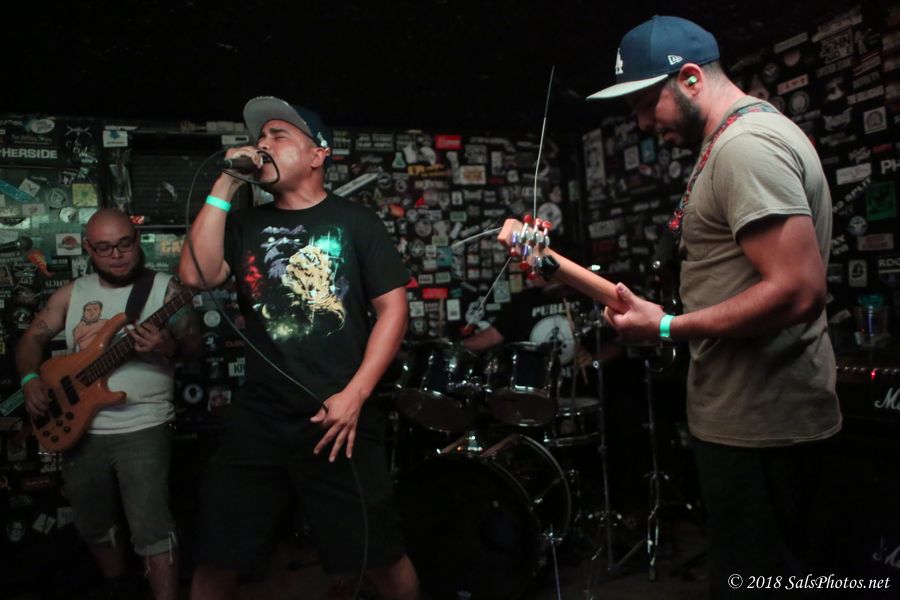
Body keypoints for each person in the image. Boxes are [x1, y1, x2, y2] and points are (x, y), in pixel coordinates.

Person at [581, 15, 840, 598]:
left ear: (691, 78)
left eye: (645, 103)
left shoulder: (745, 147)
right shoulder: (735, 141)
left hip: (762, 427)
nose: (641, 123)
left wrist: (667, 326)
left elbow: (799, 289)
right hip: (750, 420)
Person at [178, 96, 419, 600]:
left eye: (279, 135)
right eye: (260, 137)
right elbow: (196, 275)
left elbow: (394, 311)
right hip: (260, 417)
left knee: (380, 559)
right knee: (217, 558)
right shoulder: (244, 225)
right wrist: (226, 181)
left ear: (317, 154)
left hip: (338, 415)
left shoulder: (356, 222)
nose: (263, 144)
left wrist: (354, 396)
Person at [17, 208, 200, 600]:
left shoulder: (167, 290)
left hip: (144, 423)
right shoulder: (73, 293)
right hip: (79, 427)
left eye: (124, 244)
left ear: (137, 240)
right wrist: (31, 379)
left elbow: (193, 349)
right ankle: (119, 587)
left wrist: (166, 347)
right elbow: (32, 338)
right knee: (93, 523)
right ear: (88, 248)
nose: (116, 255)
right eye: (104, 248)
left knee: (152, 526)